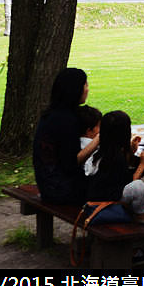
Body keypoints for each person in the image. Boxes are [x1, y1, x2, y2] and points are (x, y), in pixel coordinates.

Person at [33, 68, 99, 205]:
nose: (87, 89)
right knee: (112, 181)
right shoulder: (66, 120)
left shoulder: (50, 115)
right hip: (62, 191)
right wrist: (99, 139)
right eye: (85, 85)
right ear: (75, 90)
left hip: (46, 184)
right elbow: (72, 163)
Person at [85, 110, 144, 224]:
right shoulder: (115, 157)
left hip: (96, 195)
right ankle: (142, 216)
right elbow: (131, 182)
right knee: (138, 186)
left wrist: (131, 151)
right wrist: (143, 164)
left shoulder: (104, 150)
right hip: (104, 202)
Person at [76, 105, 102, 176]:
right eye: (99, 126)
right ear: (89, 130)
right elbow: (89, 171)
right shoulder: (90, 147)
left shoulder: (75, 143)